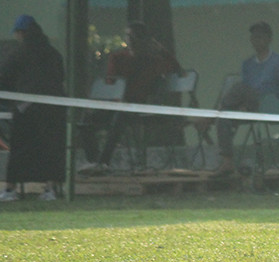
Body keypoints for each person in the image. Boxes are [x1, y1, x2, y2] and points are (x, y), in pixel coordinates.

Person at [80, 21, 183, 173]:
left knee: (120, 117)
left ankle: (104, 162)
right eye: (128, 36)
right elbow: (111, 81)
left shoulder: (152, 61)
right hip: (116, 105)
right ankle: (95, 161)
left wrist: (160, 50)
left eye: (134, 36)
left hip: (137, 106)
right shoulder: (117, 58)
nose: (130, 40)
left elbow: (176, 68)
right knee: (86, 120)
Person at [213, 21, 279, 176]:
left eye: (260, 37)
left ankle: (212, 114)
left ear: (269, 39)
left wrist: (276, 101)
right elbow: (244, 93)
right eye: (253, 37)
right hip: (250, 107)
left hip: (271, 106)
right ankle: (227, 161)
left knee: (239, 87)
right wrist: (243, 106)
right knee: (224, 118)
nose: (256, 40)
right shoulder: (247, 64)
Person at [0, 15, 67, 201]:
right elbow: (61, 76)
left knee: (20, 149)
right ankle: (50, 189)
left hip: (27, 109)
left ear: (21, 33)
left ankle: (11, 189)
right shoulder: (53, 53)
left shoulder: (19, 53)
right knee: (51, 148)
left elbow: (4, 78)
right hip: (54, 107)